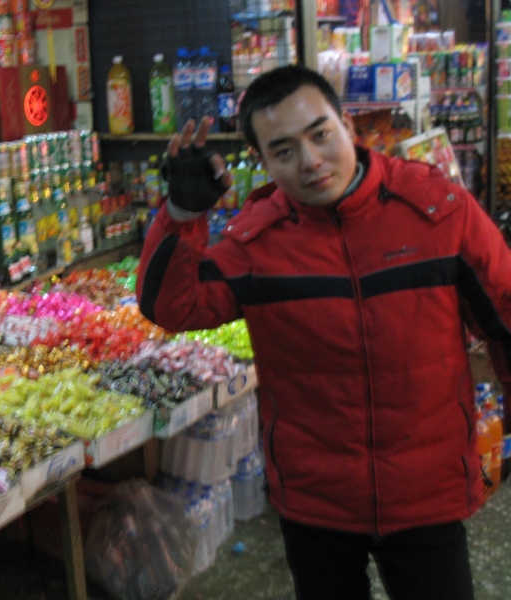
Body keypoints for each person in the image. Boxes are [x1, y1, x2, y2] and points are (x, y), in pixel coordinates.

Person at [136, 64, 511, 600]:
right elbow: (172, 306)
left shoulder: (436, 211)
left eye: (320, 135)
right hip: (317, 505)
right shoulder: (257, 242)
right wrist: (181, 212)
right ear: (262, 162)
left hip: (426, 493)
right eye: (283, 151)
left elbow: (506, 316)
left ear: (348, 127)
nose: (310, 162)